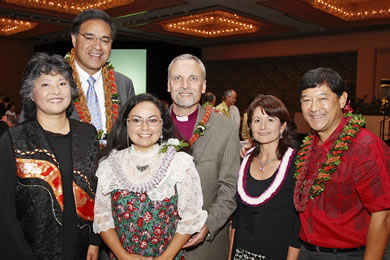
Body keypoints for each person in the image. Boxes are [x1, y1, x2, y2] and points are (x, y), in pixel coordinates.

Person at [0, 53, 100, 259]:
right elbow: (4, 210)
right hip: (30, 250)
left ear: (71, 90)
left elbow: (98, 190)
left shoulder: (87, 134)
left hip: (82, 249)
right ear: (31, 93)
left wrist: (95, 240)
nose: (56, 91)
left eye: (62, 83)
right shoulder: (13, 139)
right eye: (45, 84)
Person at [93, 93, 207, 259]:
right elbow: (102, 217)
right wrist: (122, 255)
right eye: (137, 120)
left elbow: (190, 218)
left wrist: (165, 258)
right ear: (127, 124)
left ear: (162, 124)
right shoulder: (109, 165)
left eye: (152, 120)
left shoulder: (180, 163)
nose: (144, 127)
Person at [294, 67, 390, 259]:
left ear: (342, 99)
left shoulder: (365, 146)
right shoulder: (307, 147)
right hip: (306, 251)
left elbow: (383, 216)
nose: (313, 108)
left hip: (346, 255)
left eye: (322, 98)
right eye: (306, 100)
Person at [167, 54, 240, 260]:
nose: (185, 85)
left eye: (193, 78)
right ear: (168, 85)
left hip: (205, 247)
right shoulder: (149, 126)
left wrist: (208, 225)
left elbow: (229, 187)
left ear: (203, 85)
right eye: (177, 78)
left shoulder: (226, 129)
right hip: (158, 243)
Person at [229, 95, 300, 260]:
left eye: (270, 120)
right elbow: (238, 217)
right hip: (242, 253)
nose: (262, 127)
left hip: (277, 253)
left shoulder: (296, 164)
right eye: (257, 120)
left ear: (282, 126)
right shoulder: (243, 160)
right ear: (250, 127)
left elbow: (297, 224)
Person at [68, 9, 134, 142]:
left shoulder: (123, 84)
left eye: (105, 40)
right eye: (90, 38)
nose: (97, 46)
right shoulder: (54, 81)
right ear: (74, 39)